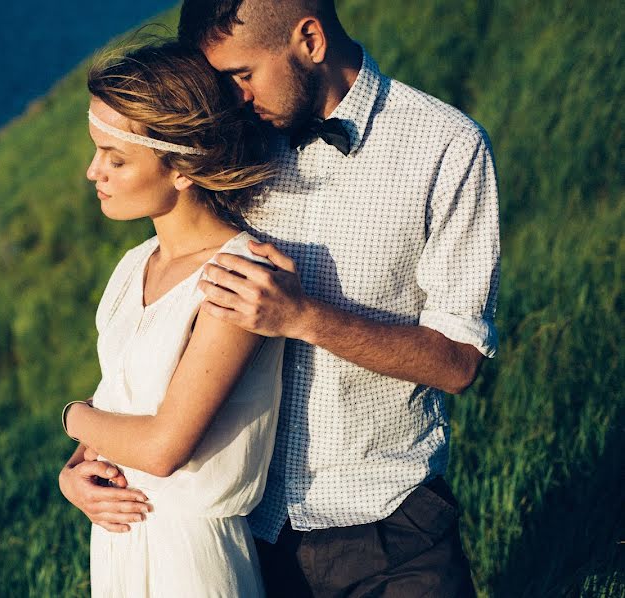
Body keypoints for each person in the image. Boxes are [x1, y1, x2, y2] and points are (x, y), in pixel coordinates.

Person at [67, 1, 501, 595]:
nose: (233, 101)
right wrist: (81, 461)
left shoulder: (447, 148)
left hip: (389, 528)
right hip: (248, 535)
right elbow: (159, 343)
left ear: (311, 40)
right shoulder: (237, 146)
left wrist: (303, 317)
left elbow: (458, 362)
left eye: (241, 76)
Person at [58, 41, 286, 597]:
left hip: (191, 559)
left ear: (183, 167)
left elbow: (163, 448)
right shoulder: (133, 267)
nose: (94, 173)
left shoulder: (237, 275)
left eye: (115, 158)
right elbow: (121, 400)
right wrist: (73, 474)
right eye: (97, 152)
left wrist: (70, 416)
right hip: (118, 541)